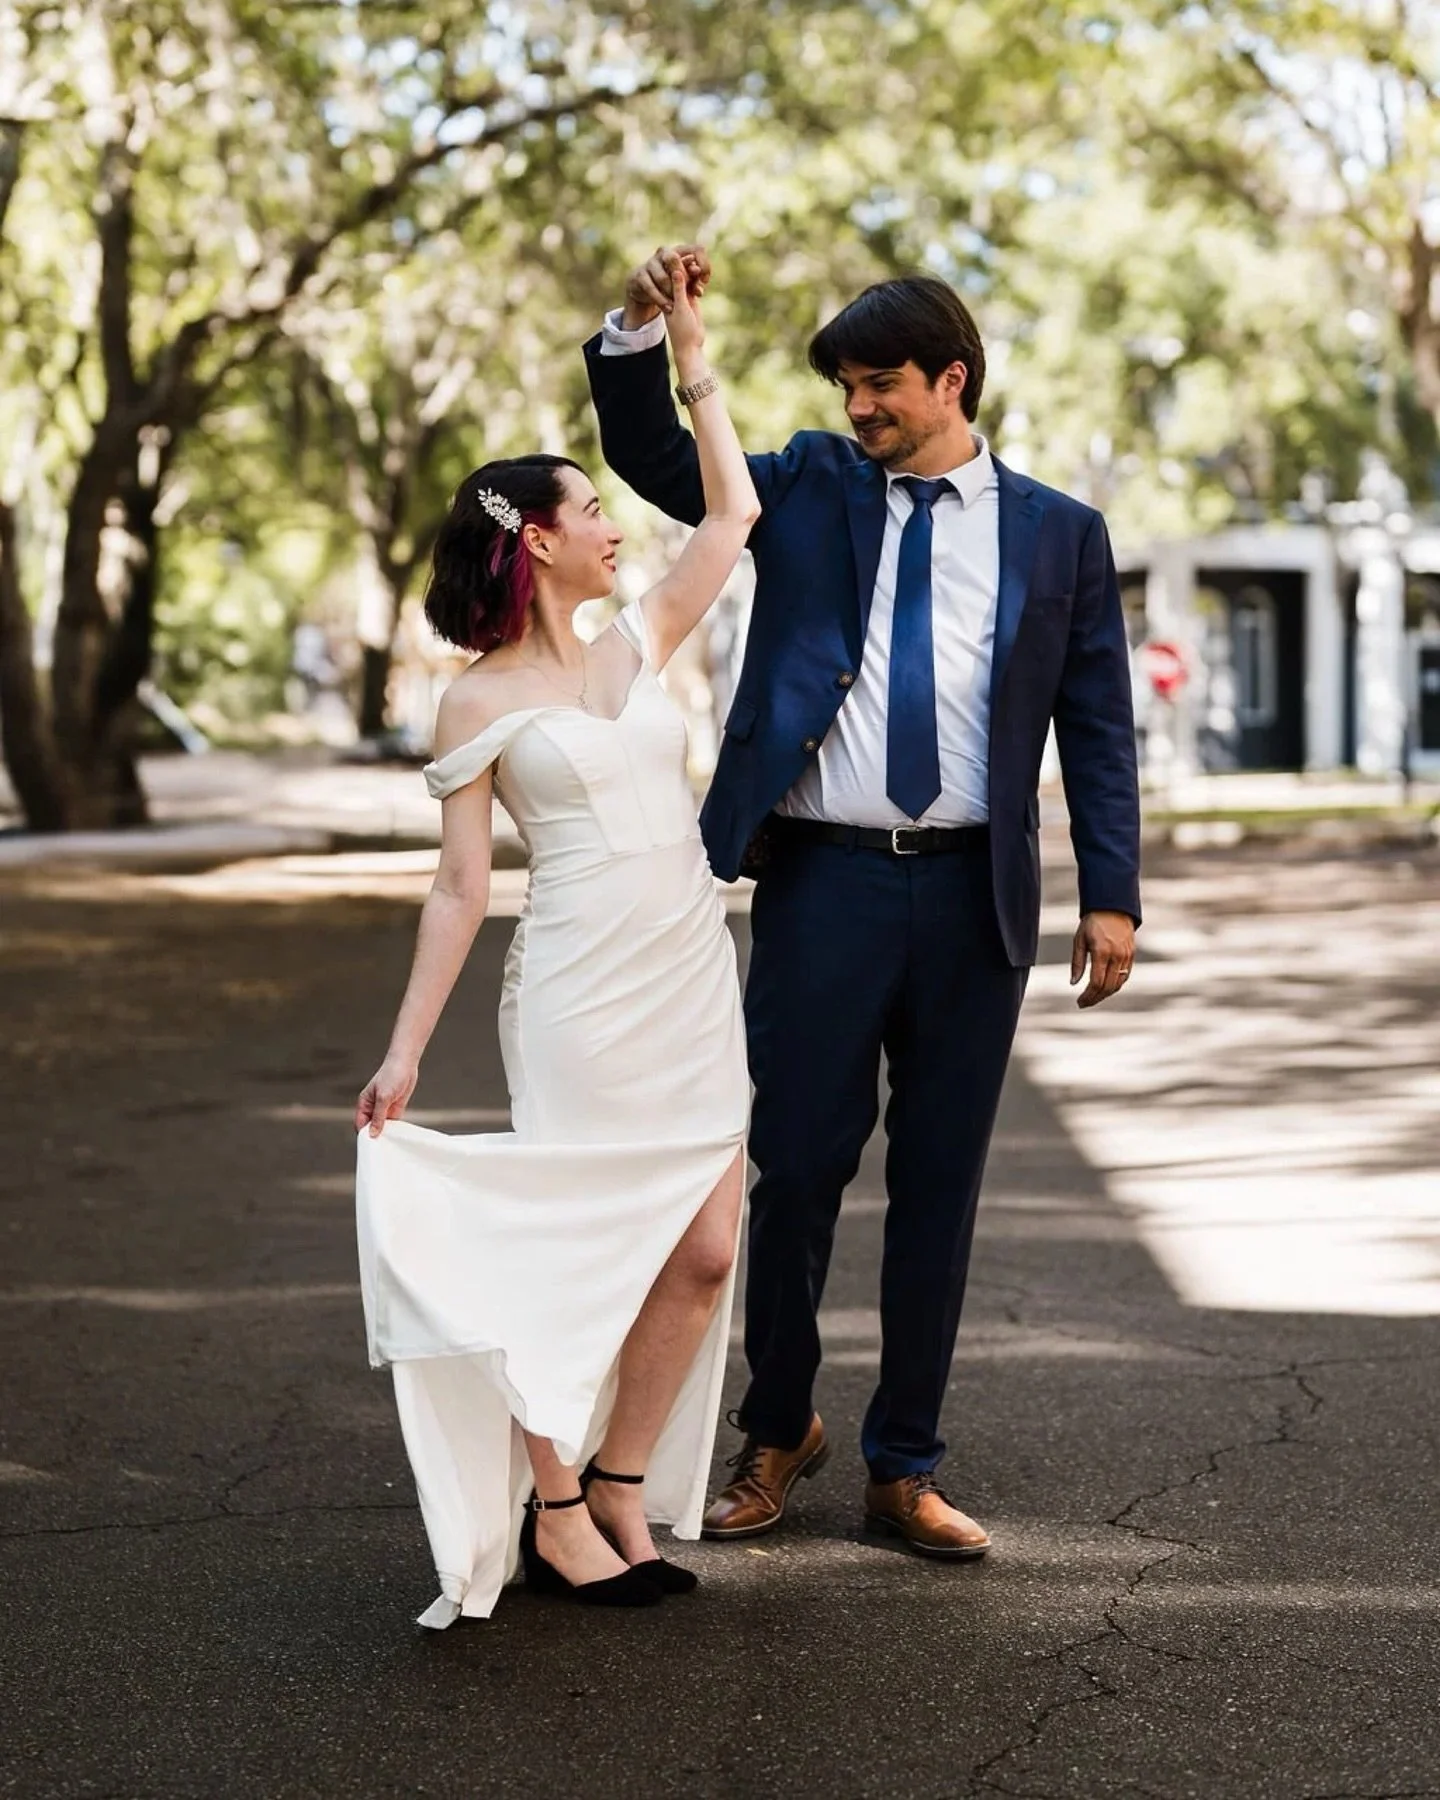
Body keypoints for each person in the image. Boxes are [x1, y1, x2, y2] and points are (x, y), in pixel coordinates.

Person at [586, 248, 1141, 1560]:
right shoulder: (808, 484)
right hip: (824, 882)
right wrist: (638, 331)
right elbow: (662, 464)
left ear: (953, 380)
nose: (859, 408)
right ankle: (776, 1431)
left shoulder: (1059, 531)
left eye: (882, 384)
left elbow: (1098, 722)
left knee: (939, 1184)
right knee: (796, 1171)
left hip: (973, 901)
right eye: (846, 386)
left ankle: (906, 1463)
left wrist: (1111, 894)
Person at [354, 253, 759, 1623]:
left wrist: (683, 344)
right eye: (592, 508)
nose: (613, 526)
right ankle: (556, 1508)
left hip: (691, 973)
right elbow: (461, 889)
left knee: (705, 1248)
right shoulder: (472, 708)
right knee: (578, 1246)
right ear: (535, 536)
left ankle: (625, 1480)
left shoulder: (636, 643)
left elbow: (735, 507)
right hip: (579, 993)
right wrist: (406, 1051)